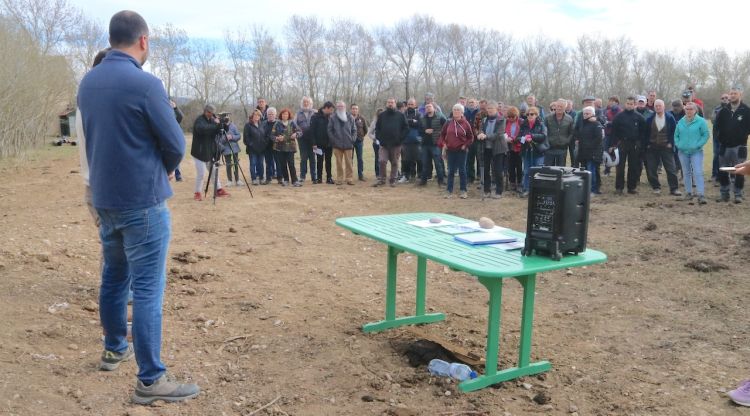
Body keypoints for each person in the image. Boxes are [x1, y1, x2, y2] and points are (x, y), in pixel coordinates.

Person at [77, 10, 199, 404]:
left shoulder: (88, 82)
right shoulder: (146, 85)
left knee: (114, 277)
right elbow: (177, 145)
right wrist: (155, 172)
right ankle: (150, 380)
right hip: (142, 203)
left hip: (105, 199)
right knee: (147, 289)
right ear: (143, 41)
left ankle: (115, 347)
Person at [715, 85, 750, 203]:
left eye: (735, 93)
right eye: (731, 93)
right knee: (723, 170)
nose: (733, 95)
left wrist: (742, 136)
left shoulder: (746, 110)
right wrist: (720, 139)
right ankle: (724, 193)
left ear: (740, 95)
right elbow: (716, 127)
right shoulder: (723, 111)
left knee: (739, 170)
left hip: (740, 146)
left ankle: (738, 194)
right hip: (724, 146)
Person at [674, 102, 709, 204]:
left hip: (696, 152)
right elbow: (676, 135)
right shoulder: (680, 122)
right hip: (683, 151)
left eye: (691, 109)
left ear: (695, 110)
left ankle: (701, 194)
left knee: (697, 172)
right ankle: (688, 193)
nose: (688, 111)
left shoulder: (701, 121)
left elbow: (705, 135)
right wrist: (679, 145)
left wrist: (698, 145)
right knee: (686, 173)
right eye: (687, 109)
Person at [643, 99, 681, 196]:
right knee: (651, 169)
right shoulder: (649, 119)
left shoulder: (670, 118)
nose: (658, 107)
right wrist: (647, 144)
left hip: (666, 147)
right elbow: (645, 133)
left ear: (664, 107)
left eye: (660, 106)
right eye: (656, 106)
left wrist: (671, 143)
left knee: (671, 169)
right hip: (652, 147)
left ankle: (674, 189)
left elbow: (674, 132)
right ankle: (656, 187)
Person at [192, 104, 230, 200]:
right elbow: (203, 129)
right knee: (201, 173)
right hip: (199, 152)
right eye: (210, 112)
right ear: (206, 111)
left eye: (212, 113)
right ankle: (197, 193)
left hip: (210, 150)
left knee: (213, 171)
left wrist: (224, 124)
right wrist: (216, 124)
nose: (212, 114)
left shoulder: (212, 120)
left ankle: (218, 190)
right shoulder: (199, 120)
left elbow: (221, 131)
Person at [611, 96, 647, 194]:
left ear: (634, 104)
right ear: (625, 104)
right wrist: (613, 144)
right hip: (622, 143)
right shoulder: (619, 116)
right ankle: (619, 188)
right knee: (620, 166)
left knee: (633, 166)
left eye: (631, 104)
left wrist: (640, 143)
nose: (629, 105)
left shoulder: (639, 117)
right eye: (628, 103)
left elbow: (644, 132)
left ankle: (632, 187)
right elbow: (613, 131)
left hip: (634, 144)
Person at [439, 103, 474, 199]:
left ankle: (463, 190)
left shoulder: (466, 123)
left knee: (462, 170)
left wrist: (465, 145)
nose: (456, 111)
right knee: (450, 171)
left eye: (458, 110)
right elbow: (442, 134)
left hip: (461, 150)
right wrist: (444, 144)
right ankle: (449, 191)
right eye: (454, 109)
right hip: (450, 150)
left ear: (462, 112)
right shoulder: (448, 122)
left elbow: (471, 138)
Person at [374, 98, 408, 187]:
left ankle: (393, 180)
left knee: (394, 162)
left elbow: (406, 128)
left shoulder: (400, 115)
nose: (390, 104)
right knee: (382, 161)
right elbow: (377, 128)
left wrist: (400, 139)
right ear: (386, 104)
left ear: (395, 104)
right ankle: (382, 179)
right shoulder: (382, 115)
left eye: (392, 103)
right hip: (384, 144)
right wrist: (379, 138)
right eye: (388, 102)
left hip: (396, 144)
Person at [477, 101, 507, 198]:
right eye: (488, 108)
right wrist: (480, 133)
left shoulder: (501, 120)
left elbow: (498, 134)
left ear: (496, 109)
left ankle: (499, 191)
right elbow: (481, 129)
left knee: (497, 171)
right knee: (485, 170)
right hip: (486, 149)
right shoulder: (484, 119)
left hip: (498, 149)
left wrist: (485, 136)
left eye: (492, 108)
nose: (490, 110)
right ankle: (487, 190)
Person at [519, 106, 548, 197]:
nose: (529, 116)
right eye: (528, 114)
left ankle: (538, 190)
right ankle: (527, 189)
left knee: (538, 172)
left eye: (532, 114)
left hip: (538, 152)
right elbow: (518, 137)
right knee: (527, 171)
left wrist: (532, 136)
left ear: (536, 115)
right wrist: (524, 138)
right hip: (527, 151)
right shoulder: (523, 124)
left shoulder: (541, 124)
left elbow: (543, 136)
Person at [574, 106, 604, 195]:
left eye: (588, 113)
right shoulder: (582, 123)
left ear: (593, 114)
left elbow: (599, 138)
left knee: (592, 171)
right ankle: (586, 188)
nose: (585, 115)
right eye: (584, 114)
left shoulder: (597, 123)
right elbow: (577, 132)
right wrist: (577, 138)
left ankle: (593, 189)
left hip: (593, 152)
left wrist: (589, 146)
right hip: (583, 152)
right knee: (584, 171)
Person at [327, 101, 357, 185]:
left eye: (342, 106)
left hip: (348, 144)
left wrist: (352, 139)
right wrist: (334, 140)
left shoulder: (350, 117)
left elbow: (354, 130)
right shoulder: (333, 117)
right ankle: (339, 179)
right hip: (337, 145)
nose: (341, 108)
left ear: (345, 107)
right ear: (337, 107)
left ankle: (349, 179)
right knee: (339, 163)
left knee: (349, 162)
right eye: (339, 106)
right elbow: (329, 130)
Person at [418, 102, 446, 186]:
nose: (428, 108)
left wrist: (440, 134)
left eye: (430, 107)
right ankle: (423, 181)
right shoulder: (422, 118)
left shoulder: (440, 117)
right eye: (426, 107)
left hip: (436, 144)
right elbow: (419, 130)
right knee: (425, 163)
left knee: (438, 163)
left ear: (434, 108)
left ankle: (441, 181)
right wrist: (424, 131)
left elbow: (446, 128)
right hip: (425, 144)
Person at [271, 108, 301, 187]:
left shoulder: (292, 123)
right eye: (283, 114)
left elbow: (300, 132)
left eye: (286, 114)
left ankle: (295, 180)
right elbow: (271, 136)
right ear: (281, 115)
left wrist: (296, 134)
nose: (285, 115)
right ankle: (286, 180)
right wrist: (277, 138)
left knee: (291, 164)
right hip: (280, 148)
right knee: (283, 164)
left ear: (288, 115)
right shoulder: (277, 124)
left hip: (290, 148)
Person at [399, 98, 423, 183]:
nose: (410, 106)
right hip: (405, 141)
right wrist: (412, 121)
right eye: (408, 104)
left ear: (415, 105)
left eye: (412, 104)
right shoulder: (403, 114)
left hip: (416, 141)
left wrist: (409, 122)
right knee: (406, 159)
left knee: (419, 159)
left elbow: (419, 124)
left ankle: (420, 175)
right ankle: (406, 176)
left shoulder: (419, 114)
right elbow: (402, 123)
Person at [545, 100, 574, 166]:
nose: (559, 108)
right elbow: (544, 131)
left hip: (562, 149)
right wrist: (547, 142)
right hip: (549, 148)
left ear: (565, 108)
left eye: (561, 106)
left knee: (560, 170)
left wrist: (567, 141)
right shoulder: (547, 118)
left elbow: (571, 133)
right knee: (548, 170)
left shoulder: (569, 119)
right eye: (558, 106)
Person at [311, 101, 335, 184]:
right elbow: (312, 131)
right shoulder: (315, 117)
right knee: (319, 161)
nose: (332, 111)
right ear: (326, 108)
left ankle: (329, 178)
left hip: (329, 143)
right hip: (319, 144)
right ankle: (319, 178)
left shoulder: (331, 117)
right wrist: (313, 143)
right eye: (331, 110)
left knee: (328, 161)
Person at [243, 110, 267, 185]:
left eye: (258, 115)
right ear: (252, 116)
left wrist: (264, 144)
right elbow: (246, 138)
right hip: (252, 149)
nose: (257, 117)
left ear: (260, 117)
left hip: (261, 149)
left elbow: (265, 135)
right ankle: (254, 179)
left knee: (261, 164)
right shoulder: (248, 125)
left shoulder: (262, 124)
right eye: (255, 115)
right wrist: (251, 145)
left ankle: (261, 178)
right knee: (253, 164)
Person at [295, 96, 316, 183]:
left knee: (312, 158)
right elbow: (294, 124)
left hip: (313, 139)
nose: (306, 103)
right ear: (302, 103)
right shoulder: (298, 113)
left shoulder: (315, 112)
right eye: (304, 102)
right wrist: (299, 131)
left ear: (310, 104)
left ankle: (314, 177)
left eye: (307, 102)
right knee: (303, 158)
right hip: (302, 139)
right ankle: (302, 176)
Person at [711, 93, 730, 182]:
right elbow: (713, 120)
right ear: (720, 99)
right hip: (717, 137)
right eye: (723, 98)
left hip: (729, 138)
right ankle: (715, 174)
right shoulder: (716, 109)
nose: (725, 99)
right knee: (717, 156)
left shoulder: (733, 108)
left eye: (726, 98)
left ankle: (727, 175)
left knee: (727, 156)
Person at [219, 114, 243, 186]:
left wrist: (232, 137)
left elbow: (239, 136)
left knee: (236, 164)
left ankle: (237, 180)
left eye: (227, 117)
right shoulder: (220, 127)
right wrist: (225, 138)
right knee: (228, 164)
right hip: (226, 148)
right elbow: (219, 139)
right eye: (224, 117)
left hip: (234, 148)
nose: (226, 118)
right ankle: (229, 180)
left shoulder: (233, 126)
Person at [505, 106, 524, 193]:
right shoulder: (506, 122)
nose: (511, 119)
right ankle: (512, 182)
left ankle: (520, 183)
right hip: (509, 147)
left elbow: (523, 134)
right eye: (509, 117)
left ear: (516, 116)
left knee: (519, 166)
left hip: (519, 147)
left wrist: (513, 139)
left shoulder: (521, 122)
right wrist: (506, 138)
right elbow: (504, 132)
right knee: (510, 166)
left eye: (513, 117)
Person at [351, 103, 369, 181]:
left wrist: (361, 137)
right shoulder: (347, 118)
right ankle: (349, 175)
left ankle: (360, 175)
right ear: (350, 109)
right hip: (350, 142)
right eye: (353, 108)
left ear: (358, 110)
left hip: (359, 141)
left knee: (360, 158)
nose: (354, 110)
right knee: (349, 159)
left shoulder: (362, 118)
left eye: (356, 108)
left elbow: (366, 130)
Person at [263, 107, 279, 184]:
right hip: (267, 146)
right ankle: (268, 178)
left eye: (272, 114)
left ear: (275, 115)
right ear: (267, 115)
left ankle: (280, 178)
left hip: (277, 146)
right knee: (268, 163)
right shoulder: (264, 123)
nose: (271, 115)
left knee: (278, 162)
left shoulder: (279, 123)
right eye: (269, 114)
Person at [170, 100, 185, 181]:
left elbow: (181, 116)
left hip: (174, 139)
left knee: (176, 156)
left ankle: (177, 175)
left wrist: (175, 107)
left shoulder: (175, 118)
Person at [368, 108, 384, 179]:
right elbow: (369, 133)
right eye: (379, 113)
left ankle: (385, 173)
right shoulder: (374, 122)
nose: (380, 115)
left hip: (385, 143)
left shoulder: (386, 121)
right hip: (376, 143)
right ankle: (378, 174)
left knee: (386, 158)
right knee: (377, 158)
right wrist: (374, 138)